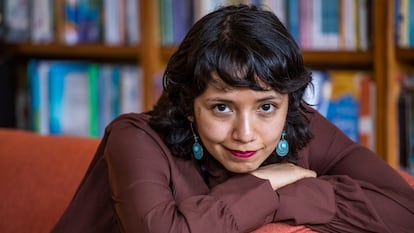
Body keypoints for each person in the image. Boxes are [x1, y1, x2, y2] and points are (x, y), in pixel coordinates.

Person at [52, 4, 414, 233]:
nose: (245, 133)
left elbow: (404, 212)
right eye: (221, 107)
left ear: (289, 101)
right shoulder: (134, 137)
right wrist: (266, 183)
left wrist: (283, 194)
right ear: (189, 103)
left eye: (266, 107)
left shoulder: (299, 124)